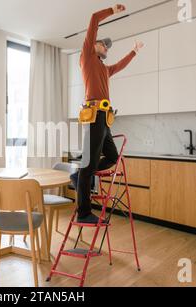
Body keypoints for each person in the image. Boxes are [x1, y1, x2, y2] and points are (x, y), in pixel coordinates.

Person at [72, 4, 144, 224]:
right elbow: (94, 18)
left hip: (104, 118)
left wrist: (134, 51)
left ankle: (79, 176)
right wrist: (113, 10)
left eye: (106, 46)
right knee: (88, 165)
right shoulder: (86, 56)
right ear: (93, 45)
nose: (105, 46)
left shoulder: (104, 68)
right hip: (93, 115)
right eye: (102, 43)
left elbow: (120, 65)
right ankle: (84, 212)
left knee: (112, 157)